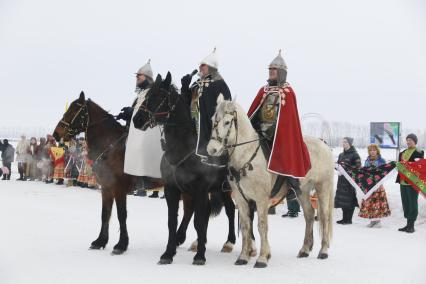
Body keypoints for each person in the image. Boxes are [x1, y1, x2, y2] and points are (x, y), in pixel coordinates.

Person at [247, 50, 311, 197]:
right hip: (260, 131)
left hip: (278, 132)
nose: (271, 72)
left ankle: (292, 185)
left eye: (274, 69)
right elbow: (254, 111)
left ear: (281, 71)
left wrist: (277, 129)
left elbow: (288, 118)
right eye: (269, 69)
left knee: (284, 150)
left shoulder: (287, 92)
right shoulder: (263, 90)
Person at [117, 60, 163, 195]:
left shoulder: (152, 93)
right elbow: (136, 112)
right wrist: (126, 114)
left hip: (149, 130)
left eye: (139, 76)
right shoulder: (140, 94)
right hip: (136, 129)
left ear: (147, 78)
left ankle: (145, 181)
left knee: (138, 147)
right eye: (136, 76)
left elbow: (150, 111)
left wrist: (132, 112)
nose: (136, 78)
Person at [181, 48, 232, 161]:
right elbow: (185, 103)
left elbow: (226, 107)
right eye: (200, 65)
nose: (200, 67)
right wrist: (185, 87)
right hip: (193, 124)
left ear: (211, 68)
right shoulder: (196, 84)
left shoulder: (219, 84)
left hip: (209, 127)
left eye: (203, 65)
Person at [396, 133, 424, 233]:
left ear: (415, 141)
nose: (408, 142)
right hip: (403, 182)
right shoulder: (402, 153)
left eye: (410, 140)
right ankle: (407, 224)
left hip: (412, 182)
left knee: (412, 203)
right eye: (407, 140)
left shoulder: (419, 151)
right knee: (406, 202)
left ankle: (411, 225)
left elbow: (419, 166)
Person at [358, 144, 391, 227]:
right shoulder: (367, 160)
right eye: (370, 150)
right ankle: (372, 220)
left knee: (377, 202)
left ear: (377, 151)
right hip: (368, 185)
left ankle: (378, 221)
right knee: (370, 202)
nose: (372, 152)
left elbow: (384, 171)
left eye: (374, 150)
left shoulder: (381, 160)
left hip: (377, 185)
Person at [335, 137, 361, 224]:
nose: (344, 144)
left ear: (350, 143)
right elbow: (339, 165)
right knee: (343, 199)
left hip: (350, 181)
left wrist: (347, 167)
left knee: (349, 199)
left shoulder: (355, 154)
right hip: (341, 180)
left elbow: (358, 167)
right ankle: (344, 218)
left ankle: (349, 219)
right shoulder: (341, 155)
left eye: (345, 142)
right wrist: (336, 167)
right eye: (343, 142)